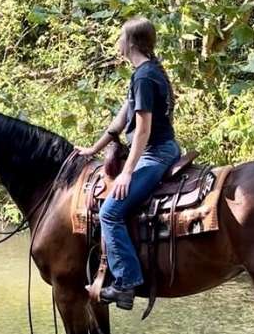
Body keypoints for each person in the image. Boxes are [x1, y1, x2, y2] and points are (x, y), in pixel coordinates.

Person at [74, 16, 181, 310]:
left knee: (110, 212)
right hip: (159, 148)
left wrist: (127, 173)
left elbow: (142, 130)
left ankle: (126, 283)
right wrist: (93, 148)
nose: (117, 43)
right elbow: (122, 120)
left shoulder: (145, 77)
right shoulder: (143, 73)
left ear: (130, 42)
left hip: (155, 153)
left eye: (121, 37)